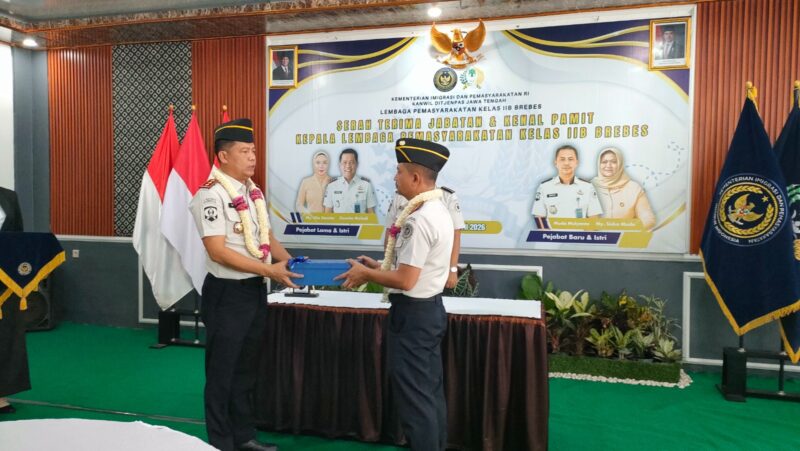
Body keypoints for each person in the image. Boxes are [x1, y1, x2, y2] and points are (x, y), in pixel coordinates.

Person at [190, 118, 301, 451]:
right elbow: (218, 251)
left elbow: (266, 237)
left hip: (254, 291)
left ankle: (244, 436)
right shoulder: (210, 196)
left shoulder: (252, 193)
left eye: (253, 150)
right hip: (227, 294)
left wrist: (292, 263)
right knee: (223, 372)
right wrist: (270, 271)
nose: (252, 157)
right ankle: (221, 441)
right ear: (223, 157)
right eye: (244, 151)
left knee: (246, 369)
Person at [336, 138, 453, 451]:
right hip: (428, 311)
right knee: (428, 393)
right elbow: (412, 268)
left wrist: (367, 274)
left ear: (415, 178)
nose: (394, 177)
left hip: (413, 316)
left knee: (416, 401)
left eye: (399, 171)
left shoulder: (420, 218)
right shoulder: (436, 209)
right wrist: (377, 265)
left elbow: (406, 279)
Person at [386, 186, 465, 289]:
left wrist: (452, 270)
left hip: (431, 272)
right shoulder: (399, 196)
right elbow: (390, 232)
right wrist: (388, 265)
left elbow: (456, 234)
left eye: (400, 172)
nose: (395, 177)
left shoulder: (446, 196)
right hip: (402, 267)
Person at [532, 144, 602, 227]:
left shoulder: (587, 187)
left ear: (576, 162)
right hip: (553, 238)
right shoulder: (545, 187)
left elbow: (594, 216)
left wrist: (582, 237)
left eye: (570, 159)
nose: (566, 163)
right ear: (555, 162)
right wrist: (549, 237)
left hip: (579, 238)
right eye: (562, 159)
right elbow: (539, 216)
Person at [0, 186, 25, 414]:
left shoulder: (9, 196)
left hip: (5, 279)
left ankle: (1, 395)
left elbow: (18, 235)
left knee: (5, 333)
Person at [591, 147, 656, 230]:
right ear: (599, 164)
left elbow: (648, 219)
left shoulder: (634, 188)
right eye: (604, 162)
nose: (608, 165)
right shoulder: (589, 186)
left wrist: (626, 233)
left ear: (620, 164)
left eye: (614, 162)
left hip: (624, 240)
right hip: (596, 240)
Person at [323, 148, 377, 213]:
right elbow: (327, 214)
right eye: (344, 162)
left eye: (351, 162)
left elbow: (371, 214)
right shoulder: (332, 186)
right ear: (340, 165)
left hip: (359, 223)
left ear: (357, 164)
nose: (348, 166)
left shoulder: (366, 185)